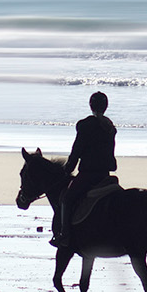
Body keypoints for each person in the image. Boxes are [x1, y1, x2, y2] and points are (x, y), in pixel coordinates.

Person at [58, 91, 117, 243]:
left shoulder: (85, 126)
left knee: (67, 199)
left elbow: (76, 151)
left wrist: (68, 169)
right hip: (105, 175)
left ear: (91, 106)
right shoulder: (110, 127)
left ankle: (65, 235)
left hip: (88, 175)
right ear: (106, 106)